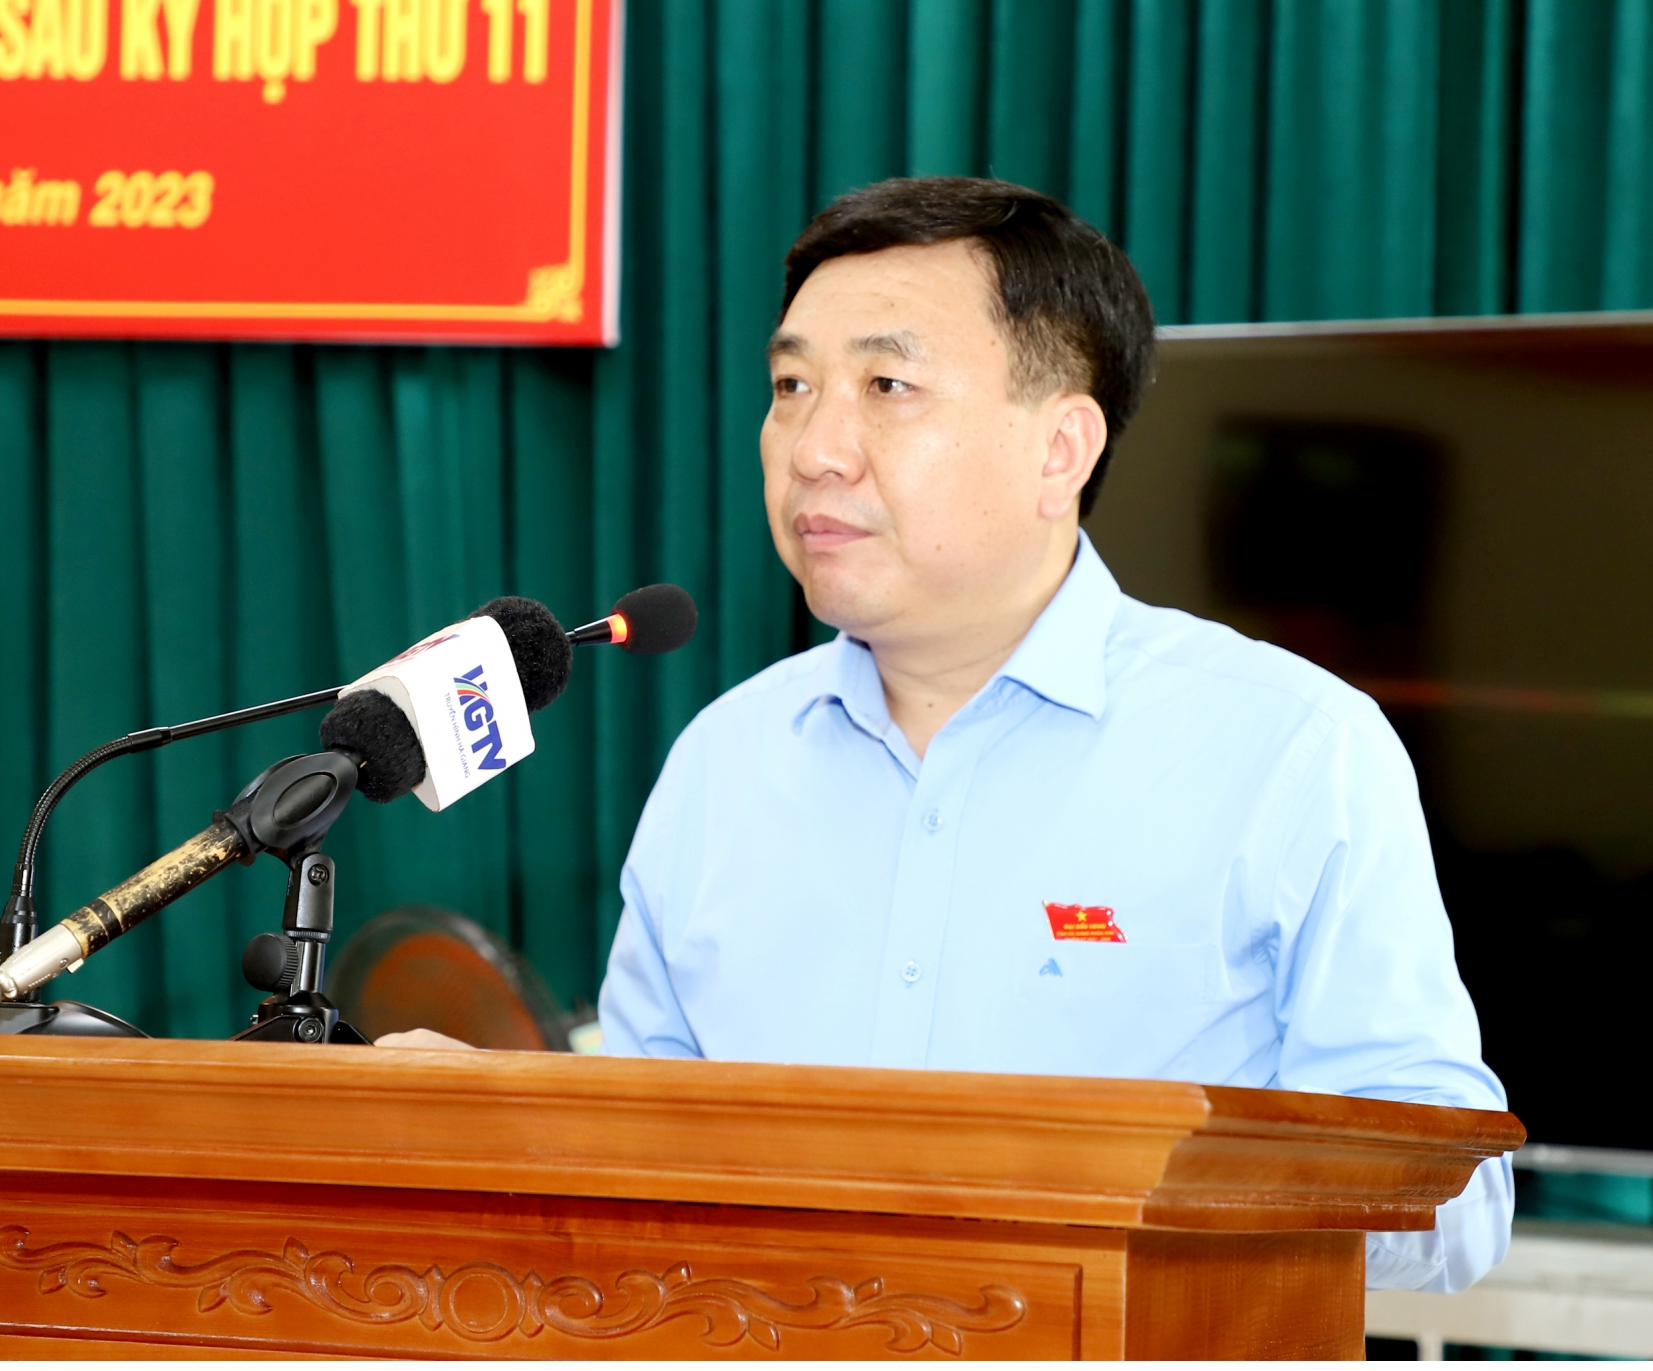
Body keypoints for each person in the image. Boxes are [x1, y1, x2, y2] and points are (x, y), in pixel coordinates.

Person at [595, 176, 1512, 1294]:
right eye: (791, 385)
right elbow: (626, 1167)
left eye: (887, 384)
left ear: (1061, 448)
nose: (814, 447)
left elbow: (1456, 1207)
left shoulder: (1290, 748)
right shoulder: (723, 764)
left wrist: (1147, 1214)